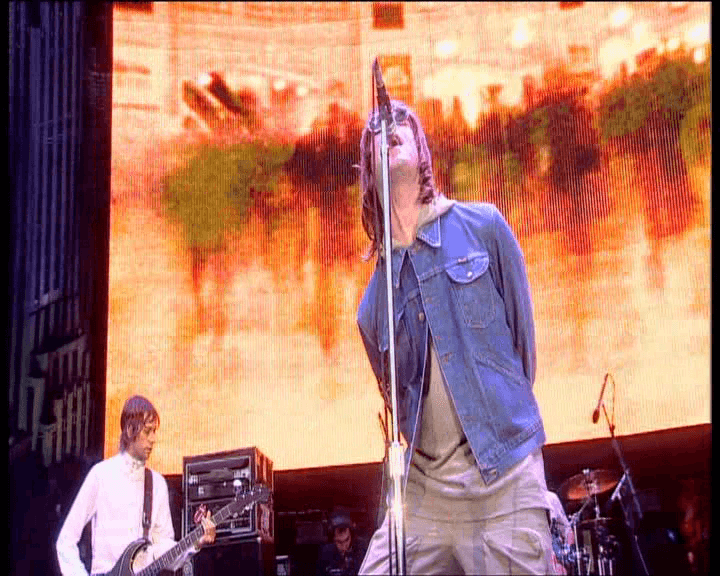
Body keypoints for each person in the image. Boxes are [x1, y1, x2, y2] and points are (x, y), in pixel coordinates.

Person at [356, 100, 557, 574]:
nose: (389, 127)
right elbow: (398, 401)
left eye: (401, 123)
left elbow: (521, 349)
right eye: (376, 131)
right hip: (427, 491)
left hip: (503, 475)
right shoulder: (373, 304)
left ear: (422, 151)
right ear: (368, 169)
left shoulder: (483, 227)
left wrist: (499, 424)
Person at [56, 395, 216, 575]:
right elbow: (66, 540)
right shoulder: (101, 475)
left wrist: (195, 542)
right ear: (130, 430)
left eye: (155, 431)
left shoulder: (157, 484)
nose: (154, 438)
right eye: (148, 431)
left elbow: (163, 550)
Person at [316, 509, 369, 576]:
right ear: (333, 540)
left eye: (347, 540)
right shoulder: (325, 553)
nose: (344, 547)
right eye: (339, 542)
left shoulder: (363, 550)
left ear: (351, 535)